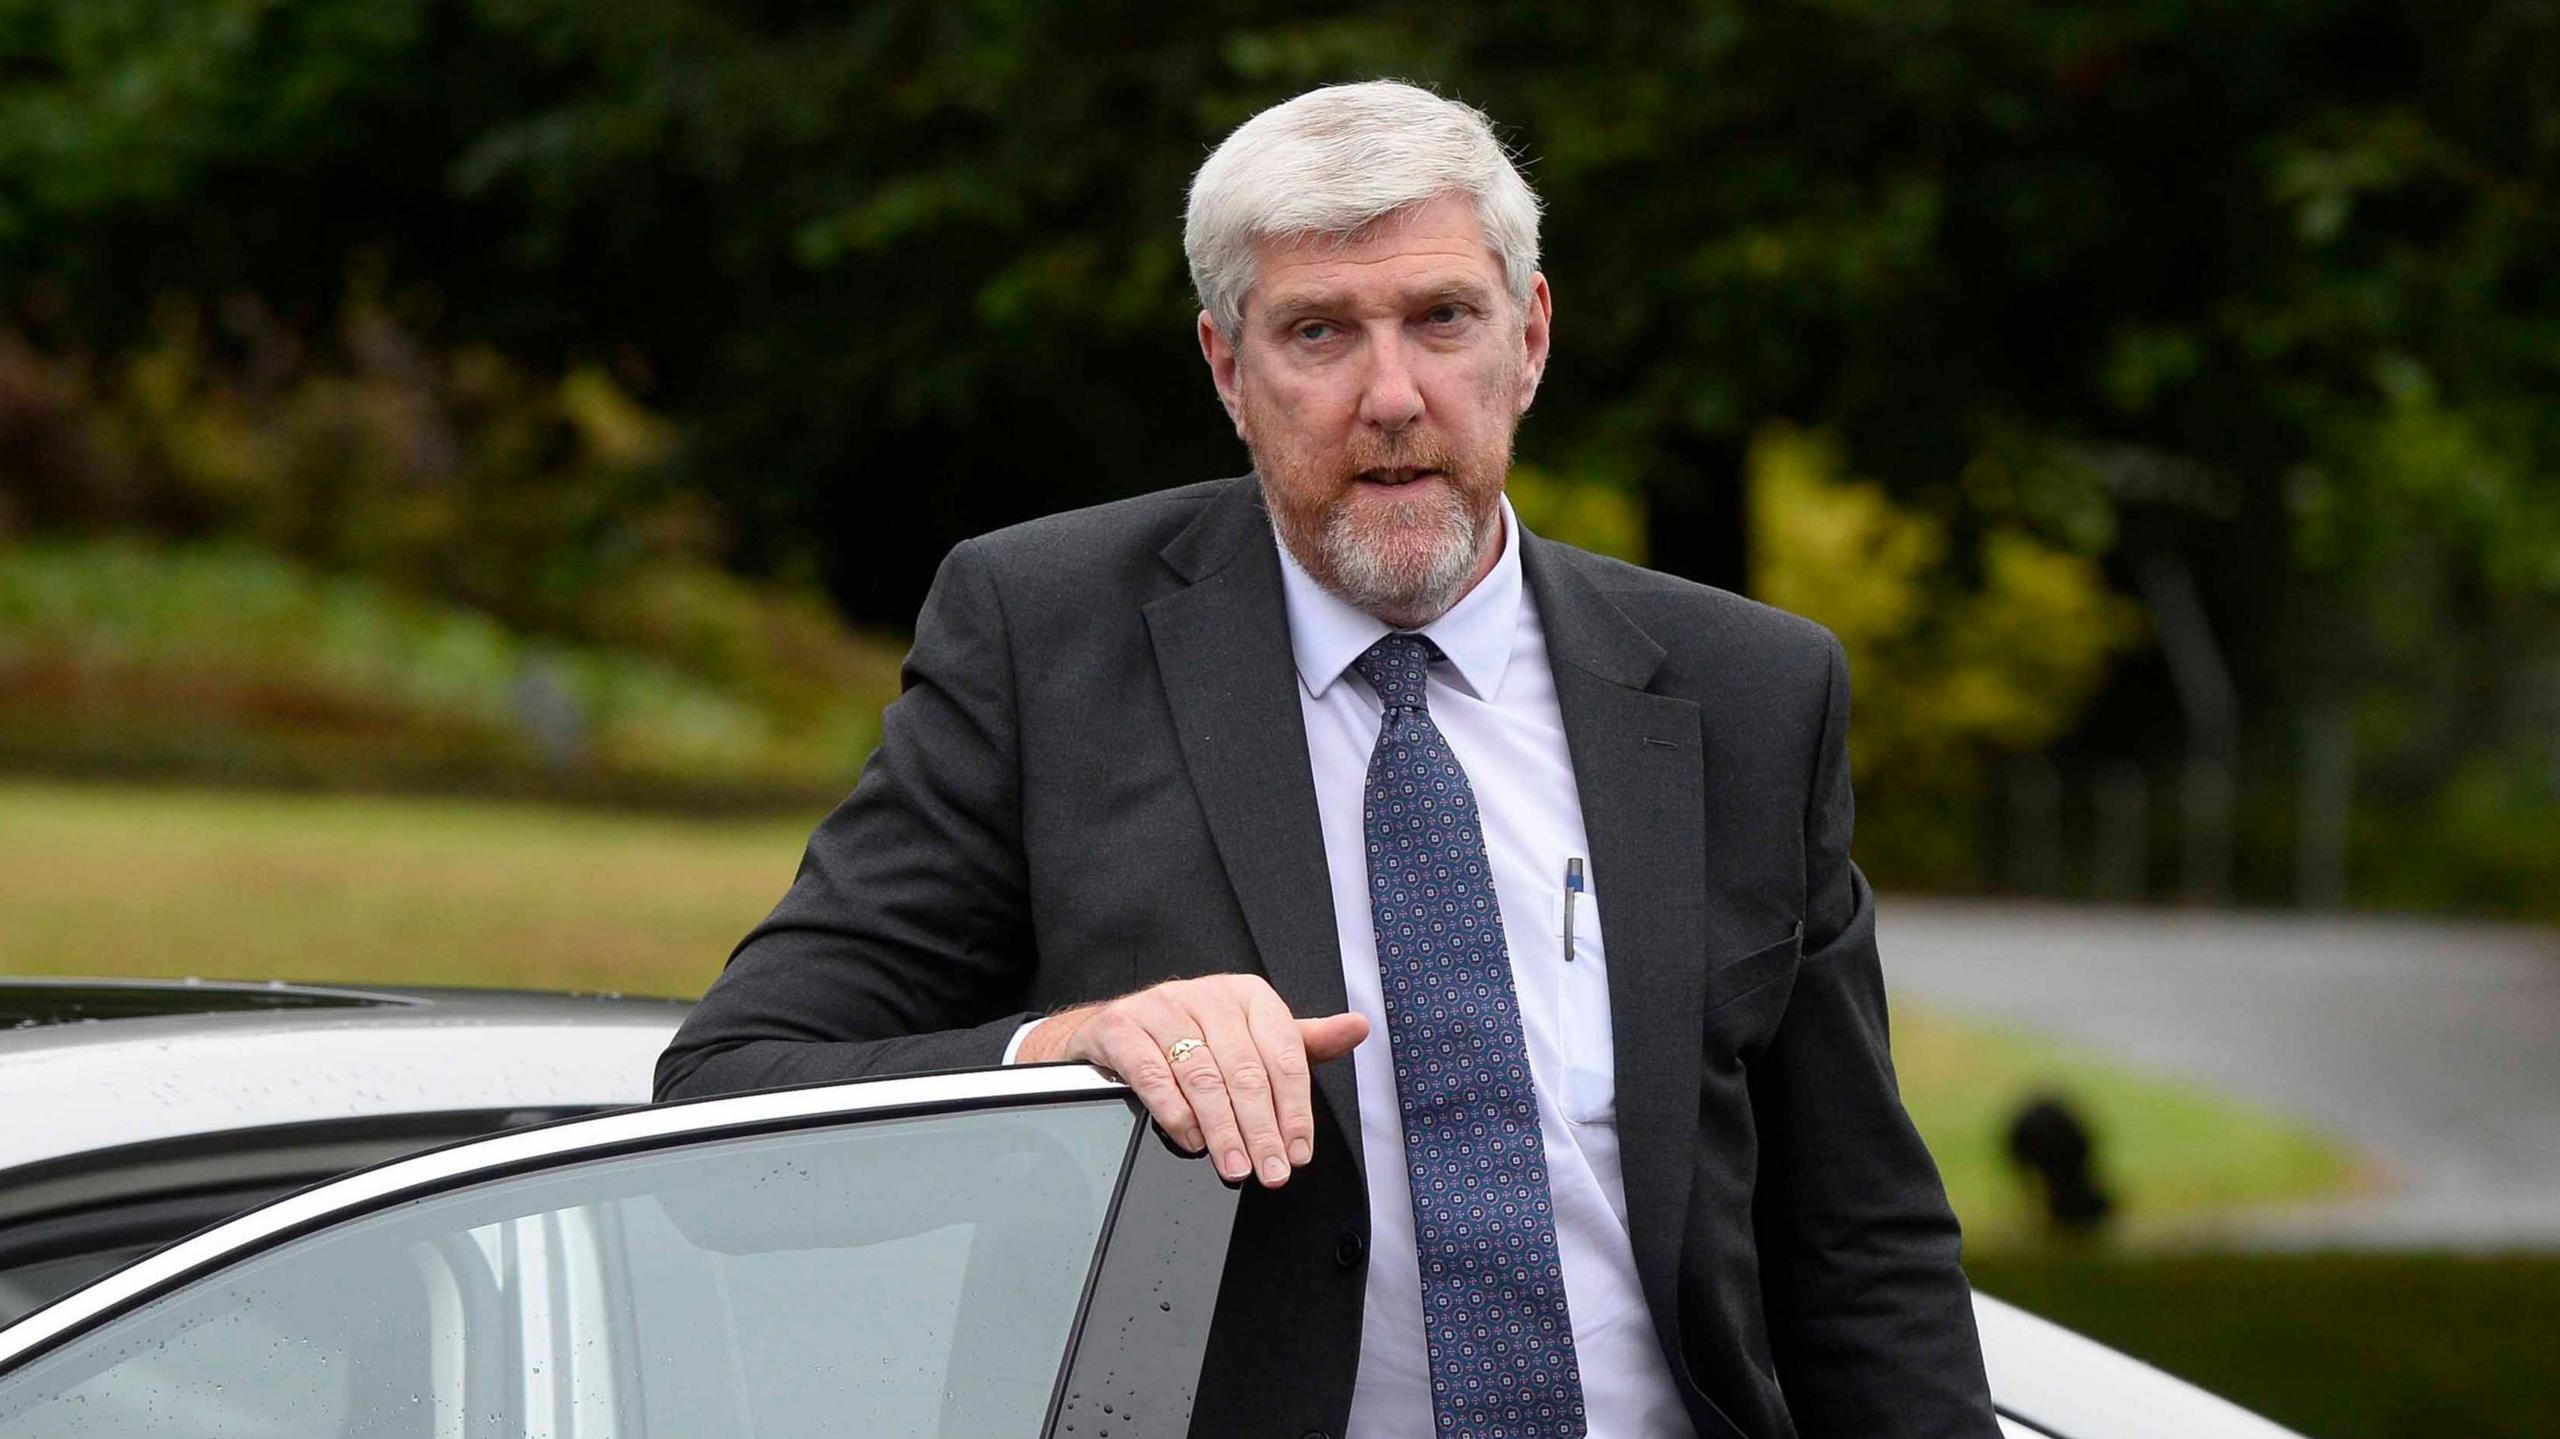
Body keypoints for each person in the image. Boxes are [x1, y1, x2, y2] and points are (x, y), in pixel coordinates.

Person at [657, 79, 1997, 1439]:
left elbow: (1860, 1244)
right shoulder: (1042, 644)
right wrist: (1068, 1058)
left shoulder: (1746, 692)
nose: (1393, 397)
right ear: (1227, 369)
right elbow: (729, 1106)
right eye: (1317, 332)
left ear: (1527, 339)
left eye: (1442, 319)